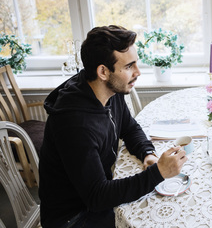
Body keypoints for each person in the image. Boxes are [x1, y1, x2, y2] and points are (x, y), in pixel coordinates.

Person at [39, 25, 187, 228]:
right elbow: (97, 196)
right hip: (74, 218)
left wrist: (148, 153)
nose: (138, 72)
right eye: (129, 67)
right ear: (103, 72)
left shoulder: (108, 91)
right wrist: (159, 172)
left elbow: (129, 126)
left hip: (96, 198)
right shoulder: (74, 124)